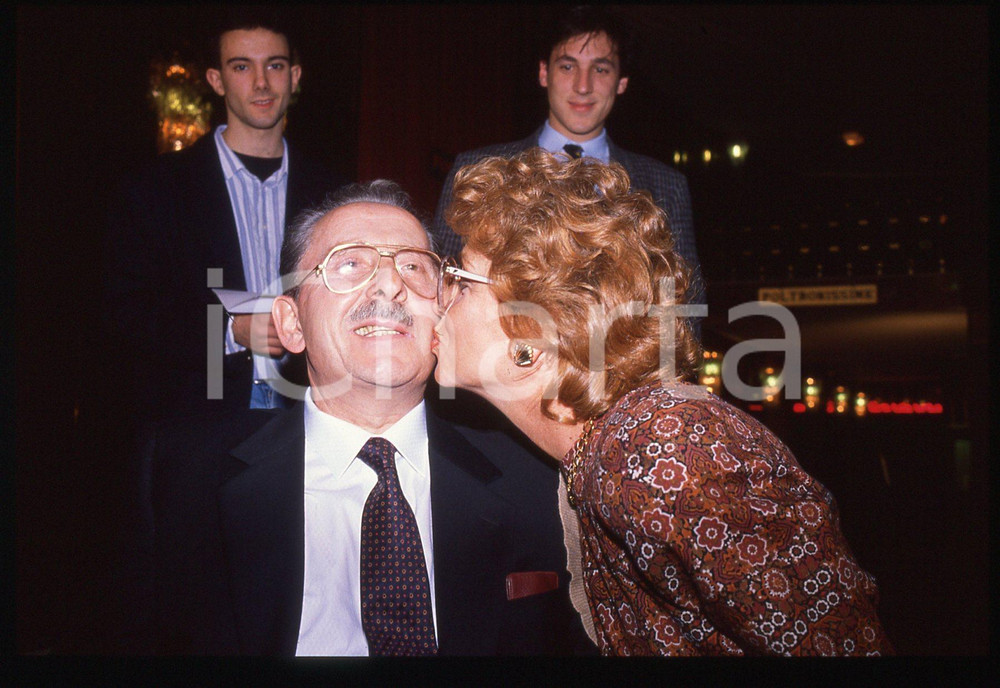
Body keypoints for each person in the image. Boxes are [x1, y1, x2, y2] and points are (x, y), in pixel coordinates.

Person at [432, 148, 893, 656]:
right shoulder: (600, 452)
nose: (438, 297)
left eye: (459, 280)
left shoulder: (661, 446)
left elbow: (840, 644)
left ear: (536, 334)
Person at [119, 180, 596, 656]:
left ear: (444, 314)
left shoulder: (539, 479)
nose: (391, 283)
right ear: (291, 323)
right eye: (349, 263)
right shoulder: (185, 480)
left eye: (413, 266)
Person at [105, 9, 341, 422]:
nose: (262, 82)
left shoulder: (332, 191)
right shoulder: (157, 189)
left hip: (309, 415)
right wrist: (230, 331)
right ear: (217, 80)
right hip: (198, 419)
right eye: (241, 66)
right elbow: (128, 309)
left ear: (295, 76)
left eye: (275, 65)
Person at [431, 5, 704, 327]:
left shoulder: (665, 185)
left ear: (622, 82)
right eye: (567, 66)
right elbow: (442, 287)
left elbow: (684, 307)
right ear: (544, 73)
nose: (583, 86)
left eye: (601, 69)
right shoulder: (477, 169)